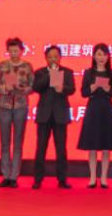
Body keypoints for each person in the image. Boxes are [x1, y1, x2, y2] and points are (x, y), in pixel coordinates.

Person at [30, 45, 77, 189]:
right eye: (50, 57)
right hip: (44, 115)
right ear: (46, 58)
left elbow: (72, 89)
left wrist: (62, 89)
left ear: (60, 57)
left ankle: (62, 179)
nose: (53, 59)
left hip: (60, 115)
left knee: (61, 149)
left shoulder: (67, 72)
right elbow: (36, 87)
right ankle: (38, 179)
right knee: (41, 148)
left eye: (56, 56)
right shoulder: (40, 72)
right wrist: (50, 75)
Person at [78, 43, 112, 188]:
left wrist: (108, 89)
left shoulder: (111, 73)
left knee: (106, 146)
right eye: (99, 54)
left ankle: (103, 178)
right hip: (93, 108)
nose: (101, 57)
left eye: (104, 54)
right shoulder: (89, 73)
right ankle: (92, 177)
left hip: (107, 108)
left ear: (108, 57)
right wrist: (93, 87)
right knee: (92, 145)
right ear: (94, 56)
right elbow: (83, 92)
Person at [0, 37, 34, 188]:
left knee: (18, 142)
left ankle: (14, 176)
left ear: (22, 51)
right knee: (5, 142)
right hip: (4, 105)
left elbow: (32, 86)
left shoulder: (27, 66)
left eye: (16, 50)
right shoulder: (2, 65)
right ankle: (5, 175)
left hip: (20, 106)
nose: (13, 53)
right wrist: (5, 88)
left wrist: (21, 88)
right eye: (11, 50)